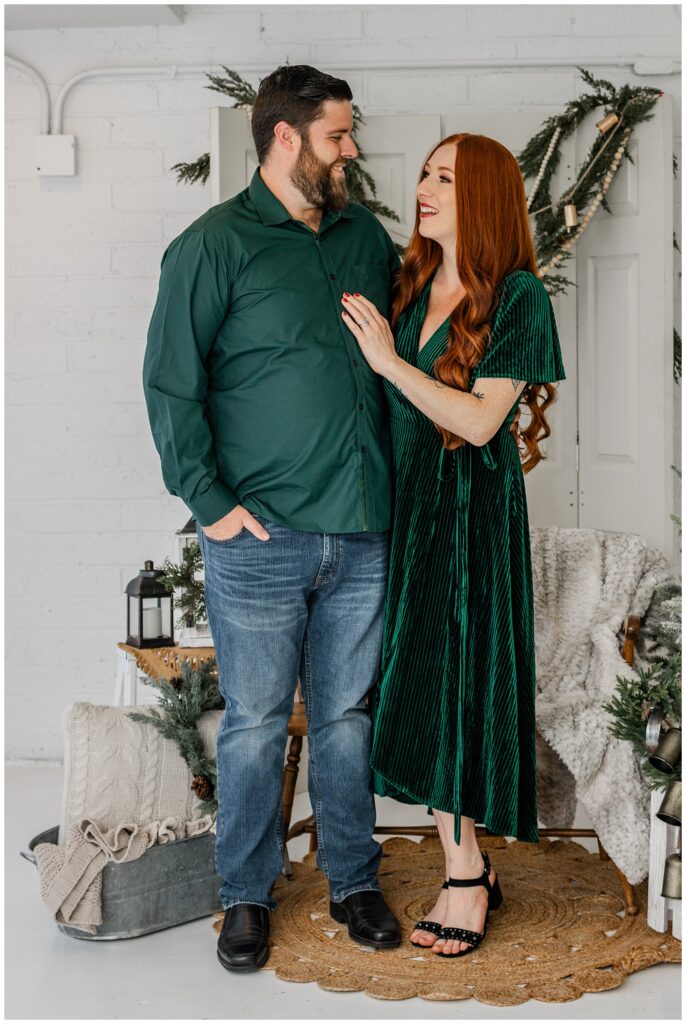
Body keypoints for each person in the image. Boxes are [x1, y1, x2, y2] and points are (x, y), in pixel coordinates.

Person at [142, 65, 402, 973]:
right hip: (259, 540)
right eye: (339, 135)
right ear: (285, 138)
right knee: (255, 722)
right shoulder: (212, 246)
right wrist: (210, 507)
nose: (353, 150)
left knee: (346, 719)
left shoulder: (366, 238)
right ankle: (247, 893)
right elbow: (172, 383)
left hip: (363, 530)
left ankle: (353, 878)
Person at [340, 132, 566, 959]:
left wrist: (386, 360)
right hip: (403, 515)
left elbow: (477, 423)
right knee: (415, 686)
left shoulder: (517, 298)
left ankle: (465, 874)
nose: (425, 187)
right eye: (425, 170)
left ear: (487, 197)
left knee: (459, 687)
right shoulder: (406, 283)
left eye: (446, 177)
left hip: (471, 519)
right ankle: (467, 863)